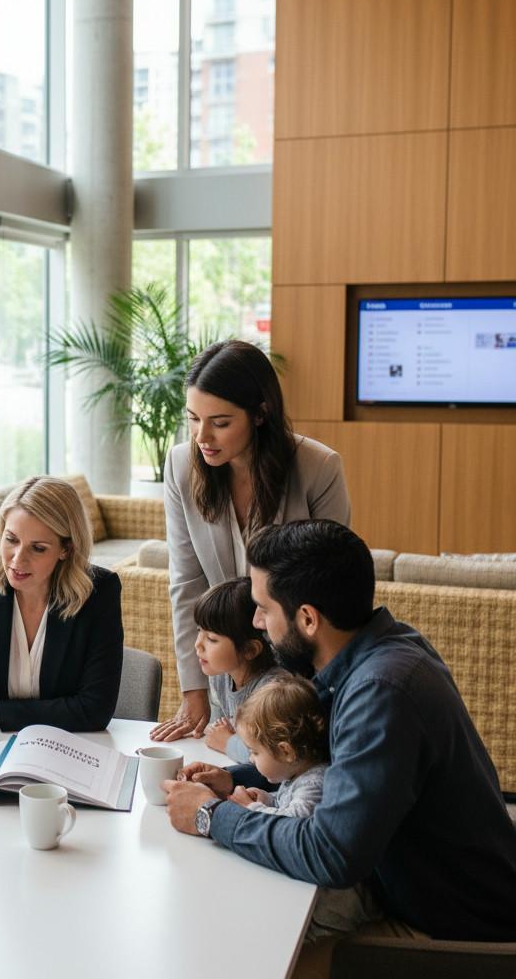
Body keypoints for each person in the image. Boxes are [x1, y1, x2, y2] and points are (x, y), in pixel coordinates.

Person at [163, 520, 516, 975]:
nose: (255, 623)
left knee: (249, 954)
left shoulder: (380, 691)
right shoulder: (381, 648)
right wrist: (235, 778)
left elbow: (329, 853)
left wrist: (212, 815)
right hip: (418, 884)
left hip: (453, 926)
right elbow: (326, 759)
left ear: (307, 619)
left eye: (263, 609)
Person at [151, 339, 350, 743]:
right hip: (231, 669)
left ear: (260, 414)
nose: (202, 436)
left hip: (302, 665)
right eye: (193, 418)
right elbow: (187, 581)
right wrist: (194, 690)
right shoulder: (181, 465)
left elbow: (330, 592)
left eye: (220, 422)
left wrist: (309, 690)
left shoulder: (318, 468)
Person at [0, 475, 123, 766]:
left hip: (70, 754)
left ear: (66, 549)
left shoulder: (99, 592)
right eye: (11, 540)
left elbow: (94, 709)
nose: (18, 559)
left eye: (38, 548)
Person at [230, 675, 380, 941]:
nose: (251, 760)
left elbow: (293, 826)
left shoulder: (316, 782)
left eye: (254, 752)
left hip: (332, 908)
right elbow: (286, 803)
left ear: (286, 751)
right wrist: (266, 799)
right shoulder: (299, 774)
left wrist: (251, 808)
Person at [191, 576, 286, 763]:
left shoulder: (273, 690)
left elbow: (277, 758)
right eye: (199, 631)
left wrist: (228, 743)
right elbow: (217, 731)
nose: (198, 645)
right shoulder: (221, 677)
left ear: (250, 650)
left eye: (211, 639)